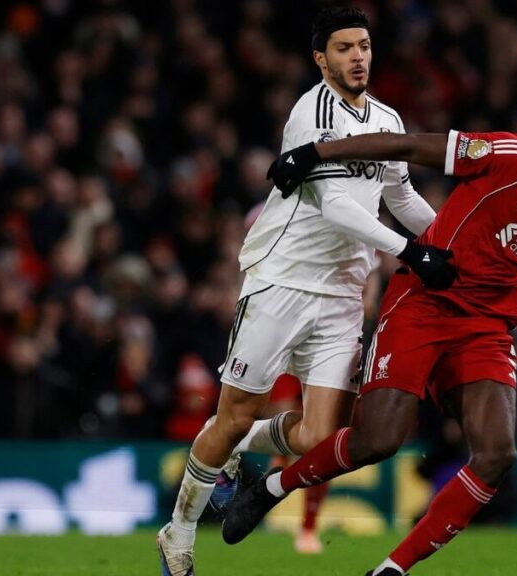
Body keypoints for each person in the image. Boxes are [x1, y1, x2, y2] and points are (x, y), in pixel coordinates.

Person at [221, 105, 517, 576]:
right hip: (424, 304)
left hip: (483, 326)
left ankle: (391, 570)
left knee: (497, 455)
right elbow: (408, 146)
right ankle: (276, 486)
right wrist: (314, 151)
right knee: (378, 440)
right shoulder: (513, 156)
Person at [156, 7, 457, 575]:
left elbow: (402, 197)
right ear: (321, 59)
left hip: (344, 294)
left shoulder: (388, 118)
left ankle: (237, 449)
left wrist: (450, 242)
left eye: (364, 46)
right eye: (344, 48)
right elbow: (335, 205)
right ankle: (179, 534)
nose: (358, 57)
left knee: (320, 435)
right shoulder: (311, 113)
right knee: (235, 414)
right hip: (282, 282)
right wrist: (410, 251)